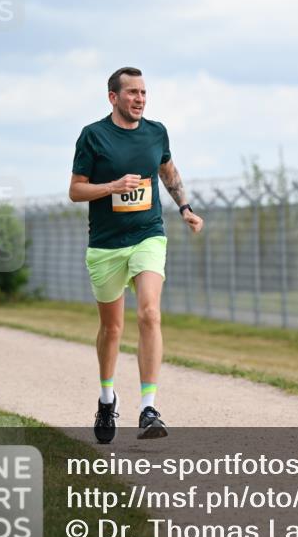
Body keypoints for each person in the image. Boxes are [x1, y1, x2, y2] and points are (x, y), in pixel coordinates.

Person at [69, 66, 203, 443]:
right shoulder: (93, 135)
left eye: (143, 92)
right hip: (106, 244)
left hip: (148, 235)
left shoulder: (156, 132)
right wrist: (112, 186)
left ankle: (148, 408)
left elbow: (168, 171)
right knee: (112, 329)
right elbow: (76, 191)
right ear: (113, 97)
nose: (140, 99)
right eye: (132, 92)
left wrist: (185, 208)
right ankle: (106, 399)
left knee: (149, 313)